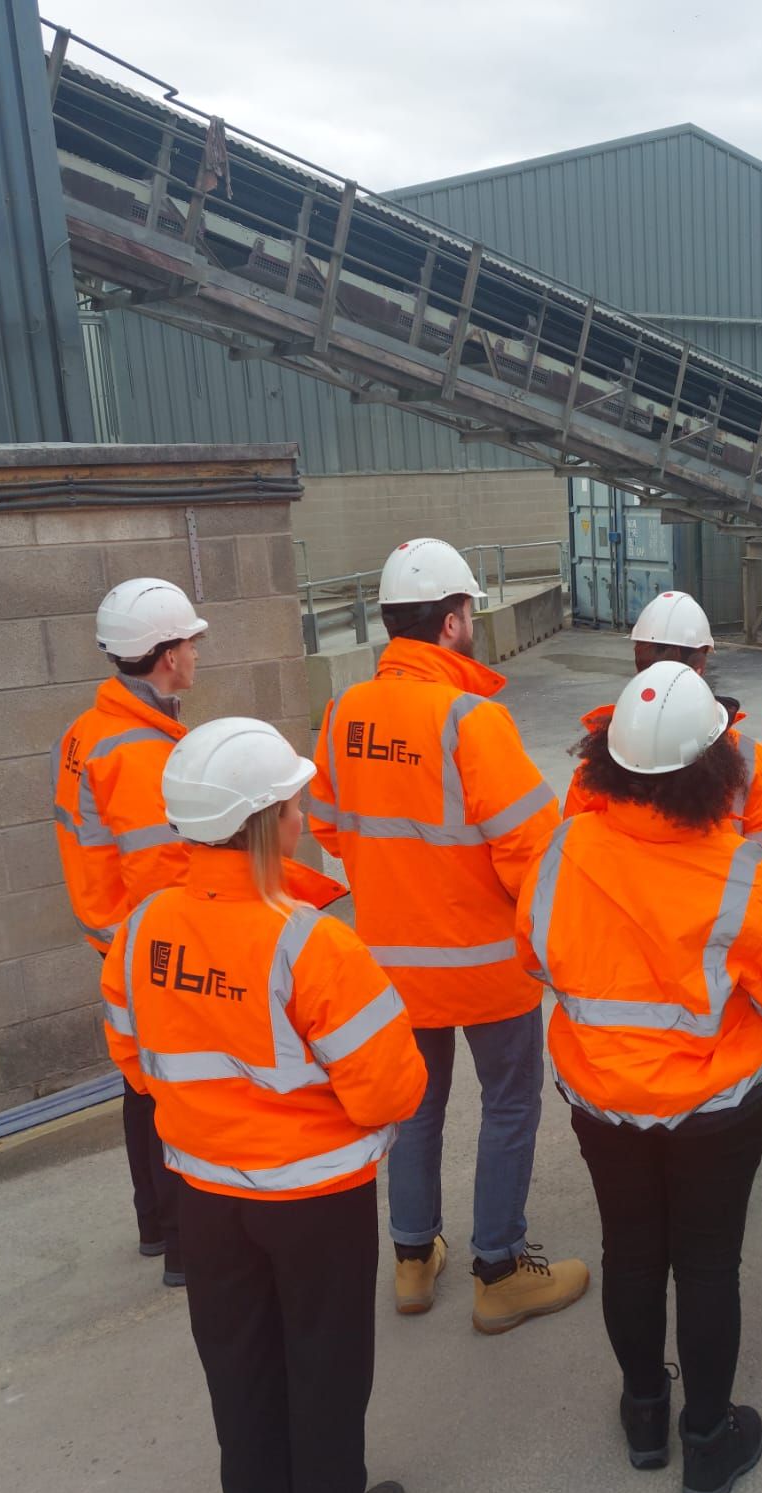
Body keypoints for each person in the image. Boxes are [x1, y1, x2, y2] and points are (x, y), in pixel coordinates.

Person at [102, 717, 427, 1493]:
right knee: (326, 1361)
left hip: (205, 1194)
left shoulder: (141, 930)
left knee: (237, 1361)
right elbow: (391, 1089)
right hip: (315, 1197)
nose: (301, 813)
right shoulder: (314, 945)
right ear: (267, 822)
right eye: (292, 803)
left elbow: (134, 1058)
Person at [519, 662, 762, 1493]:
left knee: (630, 1251)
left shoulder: (566, 850)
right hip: (716, 1111)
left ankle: (644, 1415)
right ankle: (708, 1443)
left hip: (602, 1102)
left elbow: (536, 958)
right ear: (718, 768)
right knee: (707, 1265)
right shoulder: (743, 872)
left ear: (606, 762)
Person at [307, 536, 589, 1333]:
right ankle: (498, 1271)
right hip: (486, 964)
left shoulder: (345, 713)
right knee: (509, 1106)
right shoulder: (471, 718)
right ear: (455, 620)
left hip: (391, 965)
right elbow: (532, 847)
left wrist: (396, 879)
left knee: (415, 1106)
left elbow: (327, 825)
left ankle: (411, 1258)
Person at [54, 576, 205, 1287]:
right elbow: (164, 874)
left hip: (114, 936)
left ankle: (153, 1223)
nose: (197, 654)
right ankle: (182, 1244)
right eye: (191, 643)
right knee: (170, 1089)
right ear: (167, 655)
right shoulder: (142, 754)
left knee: (140, 1083)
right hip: (153, 946)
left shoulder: (89, 731)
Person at [562, 590, 762, 878]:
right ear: (700, 663)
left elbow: (576, 852)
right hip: (720, 904)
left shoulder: (600, 763)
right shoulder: (752, 763)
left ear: (640, 661)